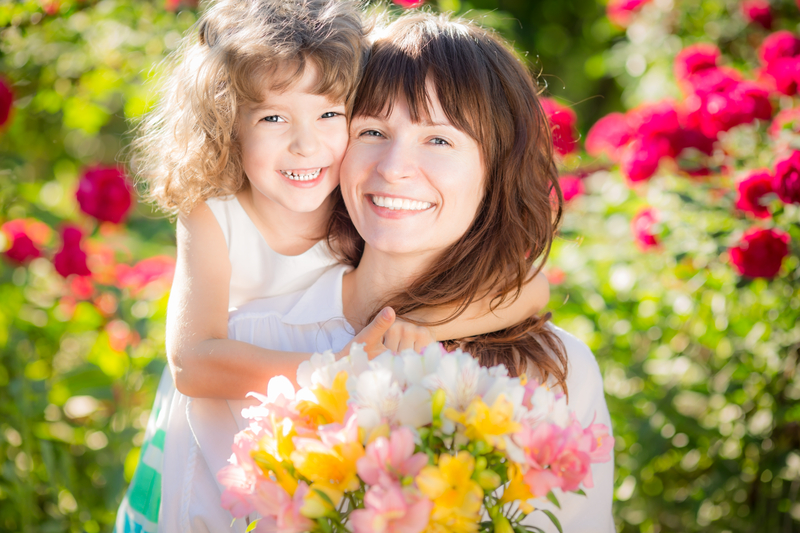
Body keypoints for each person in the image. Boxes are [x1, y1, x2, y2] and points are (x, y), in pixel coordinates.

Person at [114, 1, 550, 531]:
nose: (306, 144)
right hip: (218, 411)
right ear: (227, 124)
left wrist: (405, 336)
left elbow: (531, 289)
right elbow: (191, 364)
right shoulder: (216, 213)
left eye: (330, 115)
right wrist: (340, 369)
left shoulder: (354, 196)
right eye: (274, 117)